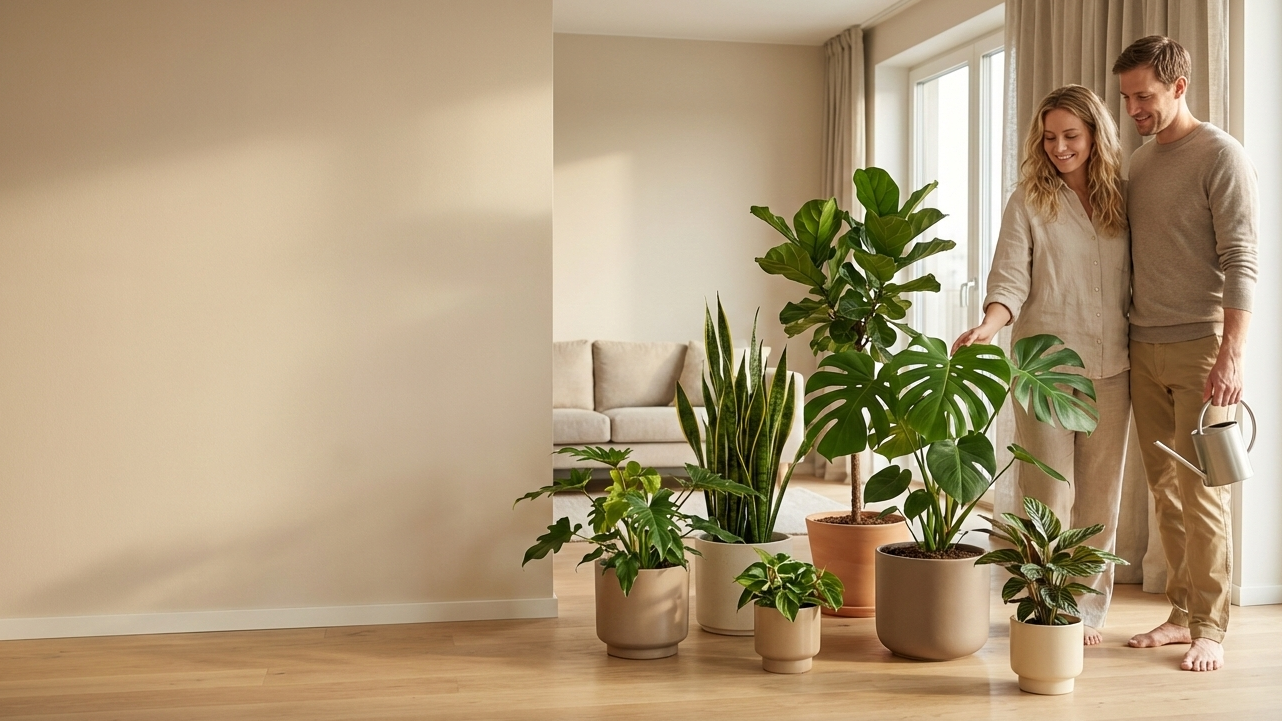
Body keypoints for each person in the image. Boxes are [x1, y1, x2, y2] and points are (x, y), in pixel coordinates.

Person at [953, 85, 1130, 647]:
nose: (1059, 147)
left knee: (1100, 497)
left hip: (1115, 364)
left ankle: (1086, 610)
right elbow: (1011, 276)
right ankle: (1043, 603)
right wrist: (990, 324)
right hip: (1044, 368)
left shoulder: (1124, 198)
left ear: (1096, 134)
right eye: (1050, 137)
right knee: (1047, 494)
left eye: (1071, 136)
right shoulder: (1028, 199)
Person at [1113, 35, 1257, 673]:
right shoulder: (1139, 164)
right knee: (1164, 491)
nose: (1134, 109)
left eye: (1143, 96)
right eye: (1126, 98)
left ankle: (1211, 626)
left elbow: (1242, 260)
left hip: (1203, 349)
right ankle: (1178, 614)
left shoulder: (1221, 156)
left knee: (1205, 492)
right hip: (1144, 346)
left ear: (1178, 87)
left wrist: (1232, 354)